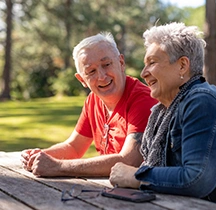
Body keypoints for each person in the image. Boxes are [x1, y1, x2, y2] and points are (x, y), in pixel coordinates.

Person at [109, 22, 216, 209]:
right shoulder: (163, 112)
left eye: (152, 63)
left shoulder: (202, 100)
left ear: (182, 65)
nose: (144, 73)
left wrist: (135, 176)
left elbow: (197, 179)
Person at [21, 32, 157, 177]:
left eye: (106, 64)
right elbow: (73, 147)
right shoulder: (93, 100)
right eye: (91, 71)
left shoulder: (143, 99)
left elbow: (129, 161)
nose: (102, 76)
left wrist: (58, 166)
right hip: (111, 189)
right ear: (82, 80)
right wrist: (40, 156)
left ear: (121, 63)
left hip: (151, 195)